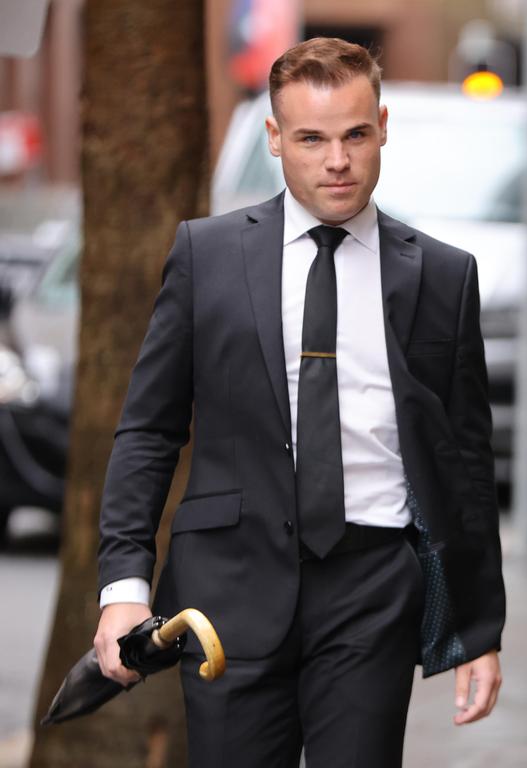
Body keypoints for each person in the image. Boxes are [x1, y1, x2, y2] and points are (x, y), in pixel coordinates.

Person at [92, 37, 504, 767]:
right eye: (311, 139)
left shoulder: (444, 277)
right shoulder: (206, 256)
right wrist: (123, 586)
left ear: (381, 126)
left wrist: (477, 628)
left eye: (354, 135)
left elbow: (466, 459)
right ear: (276, 138)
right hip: (225, 593)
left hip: (373, 591)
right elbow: (150, 430)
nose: (336, 161)